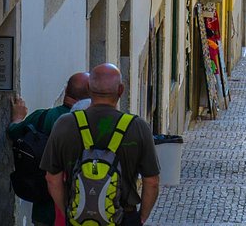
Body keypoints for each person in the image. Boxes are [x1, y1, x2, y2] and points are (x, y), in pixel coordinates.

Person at [41, 64, 160, 226]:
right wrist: (141, 218)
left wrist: (68, 212)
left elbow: (52, 179)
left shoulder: (65, 124)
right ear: (121, 90)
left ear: (88, 88)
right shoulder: (138, 127)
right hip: (124, 217)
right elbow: (152, 181)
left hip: (78, 218)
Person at [6, 72, 90, 226]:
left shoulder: (43, 117)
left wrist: (18, 117)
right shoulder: (90, 124)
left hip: (43, 208)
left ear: (66, 90)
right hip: (81, 209)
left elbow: (13, 131)